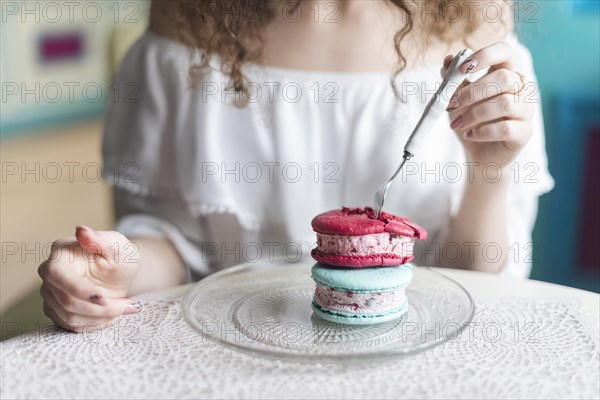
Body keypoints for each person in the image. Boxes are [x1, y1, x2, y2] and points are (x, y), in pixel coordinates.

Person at [38, 0, 554, 332]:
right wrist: (113, 268)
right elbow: (172, 246)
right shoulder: (189, 16)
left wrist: (489, 170)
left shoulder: (472, 18)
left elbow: (475, 281)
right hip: (225, 356)